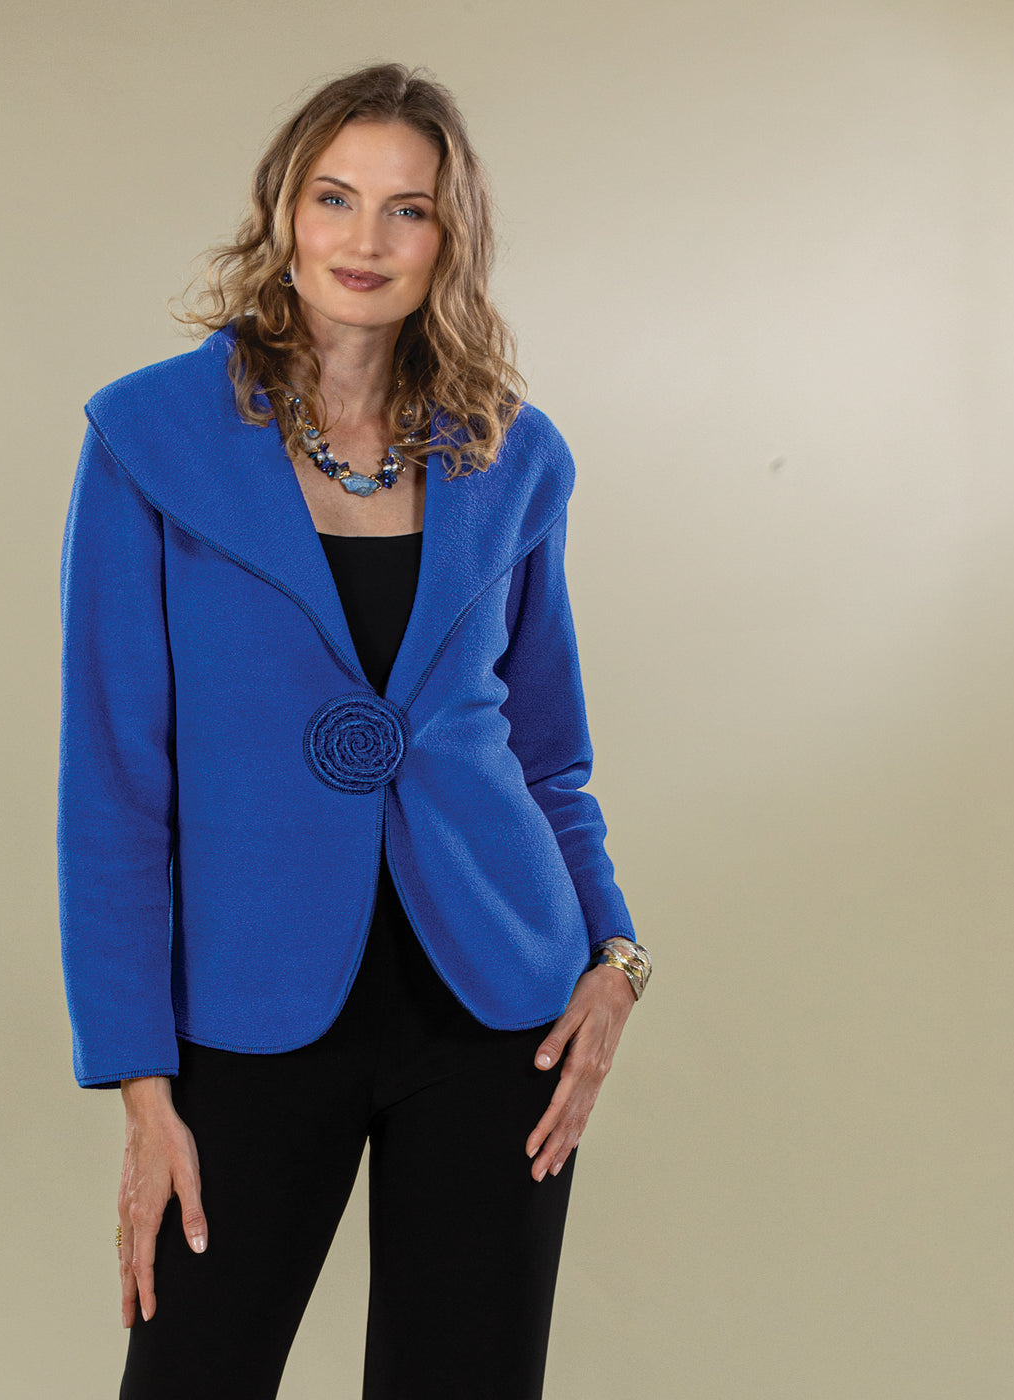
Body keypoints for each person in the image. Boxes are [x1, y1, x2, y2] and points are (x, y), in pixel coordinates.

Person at [57, 61, 652, 1400]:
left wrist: (613, 958)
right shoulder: (149, 440)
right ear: (284, 209)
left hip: (498, 1012)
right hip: (250, 1007)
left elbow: (548, 756)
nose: (366, 239)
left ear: (450, 237)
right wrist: (140, 1082)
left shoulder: (514, 455)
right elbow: (113, 785)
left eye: (408, 208)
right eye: (335, 198)